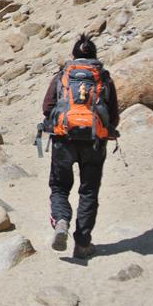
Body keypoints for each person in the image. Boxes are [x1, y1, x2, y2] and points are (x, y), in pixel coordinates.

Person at [42, 34, 119, 259]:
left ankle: (61, 220)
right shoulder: (103, 78)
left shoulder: (62, 76)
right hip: (95, 141)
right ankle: (83, 243)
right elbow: (113, 113)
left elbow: (47, 107)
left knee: (59, 187)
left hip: (63, 139)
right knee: (89, 191)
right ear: (94, 56)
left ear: (74, 55)